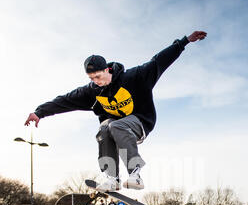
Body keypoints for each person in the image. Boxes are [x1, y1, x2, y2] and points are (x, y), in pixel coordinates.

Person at [24, 31, 207, 192]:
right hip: (115, 129)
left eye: (98, 76)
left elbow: (159, 61)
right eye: (91, 78)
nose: (96, 81)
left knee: (116, 125)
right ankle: (112, 178)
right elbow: (65, 101)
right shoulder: (92, 91)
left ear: (107, 69)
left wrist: (184, 42)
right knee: (104, 129)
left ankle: (135, 174)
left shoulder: (135, 77)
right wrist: (39, 112)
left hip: (140, 123)